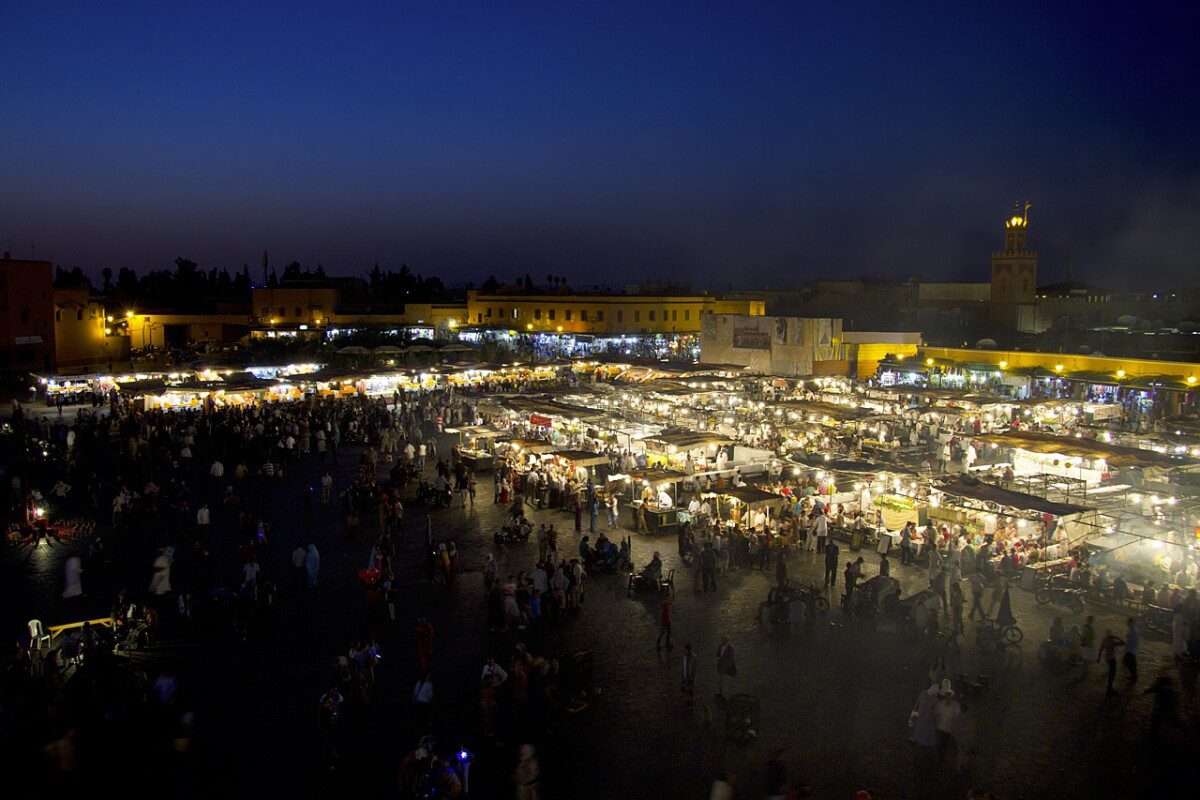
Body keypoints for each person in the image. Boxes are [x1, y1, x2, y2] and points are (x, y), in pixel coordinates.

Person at [1097, 628, 1125, 696]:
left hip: (1107, 658)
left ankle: (1109, 688)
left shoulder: (1104, 640)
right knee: (1113, 674)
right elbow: (1123, 643)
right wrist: (1116, 637)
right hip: (1112, 659)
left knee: (1110, 672)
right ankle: (1109, 688)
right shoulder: (1113, 642)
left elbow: (1101, 649)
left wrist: (1099, 657)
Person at [1123, 617, 1140, 684]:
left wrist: (1128, 639)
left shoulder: (1132, 631)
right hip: (1131, 649)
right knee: (1131, 664)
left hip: (1131, 650)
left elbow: (1131, 640)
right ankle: (1133, 676)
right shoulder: (1133, 630)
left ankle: (1133, 678)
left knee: (1129, 663)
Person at [681, 643, 696, 708]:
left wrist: (692, 676)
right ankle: (688, 700)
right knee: (686, 688)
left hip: (689, 676)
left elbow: (694, 668)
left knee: (690, 688)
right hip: (686, 675)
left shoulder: (692, 657)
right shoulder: (685, 657)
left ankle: (690, 701)